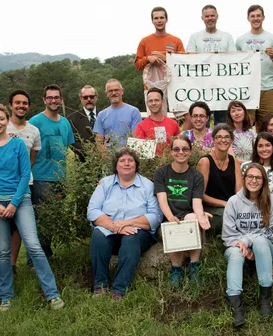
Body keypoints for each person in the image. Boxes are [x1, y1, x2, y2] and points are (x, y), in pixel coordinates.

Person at [0, 104, 65, 311]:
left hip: (20, 200)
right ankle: (6, 295)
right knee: (4, 251)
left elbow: (25, 175)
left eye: (1, 119)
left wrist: (14, 203)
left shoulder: (17, 145)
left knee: (33, 245)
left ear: (7, 121)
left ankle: (52, 293)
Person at [87, 148, 163, 300]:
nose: (126, 163)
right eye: (122, 161)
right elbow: (93, 210)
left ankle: (119, 289)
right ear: (116, 165)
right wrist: (114, 226)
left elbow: (155, 216)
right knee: (98, 235)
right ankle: (100, 285)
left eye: (130, 160)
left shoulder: (148, 185)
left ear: (136, 164)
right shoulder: (105, 184)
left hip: (139, 231)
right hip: (110, 228)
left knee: (131, 238)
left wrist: (127, 223)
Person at [222, 163, 273, 327]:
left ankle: (265, 298)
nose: (253, 180)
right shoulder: (233, 202)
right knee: (235, 254)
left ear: (264, 180)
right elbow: (228, 235)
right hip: (236, 246)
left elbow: (271, 231)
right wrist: (244, 247)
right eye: (250, 176)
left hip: (265, 248)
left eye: (258, 177)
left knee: (261, 241)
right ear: (244, 179)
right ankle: (237, 306)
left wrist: (249, 241)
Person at [154, 135, 211, 286]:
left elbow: (197, 203)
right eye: (176, 149)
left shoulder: (196, 176)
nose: (181, 152)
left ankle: (194, 266)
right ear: (171, 152)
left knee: (193, 219)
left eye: (185, 149)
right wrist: (171, 217)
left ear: (190, 152)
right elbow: (162, 200)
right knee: (175, 226)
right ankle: (176, 269)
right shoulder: (161, 173)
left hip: (187, 214)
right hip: (168, 217)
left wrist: (201, 216)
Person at [29, 84, 76, 260]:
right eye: (50, 97)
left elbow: (67, 149)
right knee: (41, 219)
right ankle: (36, 259)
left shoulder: (65, 123)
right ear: (44, 100)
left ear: (61, 100)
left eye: (56, 97)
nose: (53, 100)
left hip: (60, 178)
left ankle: (48, 255)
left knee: (54, 217)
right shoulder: (35, 122)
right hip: (41, 177)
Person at [7, 90, 41, 274]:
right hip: (1, 184)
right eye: (17, 103)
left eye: (25, 103)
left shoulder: (33, 131)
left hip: (26, 184)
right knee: (2, 227)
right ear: (10, 105)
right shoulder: (1, 126)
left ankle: (12, 265)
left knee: (19, 227)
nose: (21, 106)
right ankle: (2, 267)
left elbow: (32, 160)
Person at [235, 4, 273, 129]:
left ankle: (271, 149)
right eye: (252, 16)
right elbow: (234, 64)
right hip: (247, 89)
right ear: (248, 19)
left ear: (263, 18)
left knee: (269, 127)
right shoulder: (240, 40)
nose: (255, 19)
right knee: (246, 126)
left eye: (258, 16)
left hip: (267, 88)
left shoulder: (272, 38)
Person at [186, 4, 236, 126]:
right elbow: (189, 59)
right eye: (207, 16)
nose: (210, 18)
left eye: (212, 15)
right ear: (202, 18)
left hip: (223, 89)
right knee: (202, 122)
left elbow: (234, 59)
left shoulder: (227, 36)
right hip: (202, 88)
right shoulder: (195, 37)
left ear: (217, 16)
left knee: (222, 124)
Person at [196, 124, 243, 233]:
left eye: (226, 137)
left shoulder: (234, 161)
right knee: (232, 219)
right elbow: (200, 195)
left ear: (231, 140)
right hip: (211, 209)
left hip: (231, 207)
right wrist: (224, 203)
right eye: (219, 137)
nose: (223, 140)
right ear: (213, 140)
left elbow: (239, 192)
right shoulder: (205, 162)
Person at [94, 79, 142, 147]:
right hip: (108, 155)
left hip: (127, 155)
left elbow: (136, 138)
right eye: (110, 91)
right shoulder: (101, 115)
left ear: (122, 91)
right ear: (106, 94)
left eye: (116, 90)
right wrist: (104, 156)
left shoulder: (133, 112)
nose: (113, 93)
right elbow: (99, 141)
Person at [134, 88, 180, 155]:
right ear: (147, 103)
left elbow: (179, 146)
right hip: (150, 164)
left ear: (163, 102)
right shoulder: (141, 126)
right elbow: (140, 152)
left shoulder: (173, 124)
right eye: (150, 101)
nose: (153, 103)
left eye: (156, 100)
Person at [67, 85, 98, 162]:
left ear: (96, 97)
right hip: (84, 164)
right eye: (85, 97)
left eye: (91, 97)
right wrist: (91, 153)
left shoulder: (105, 114)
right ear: (81, 98)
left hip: (106, 162)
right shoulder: (72, 119)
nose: (89, 99)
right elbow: (72, 142)